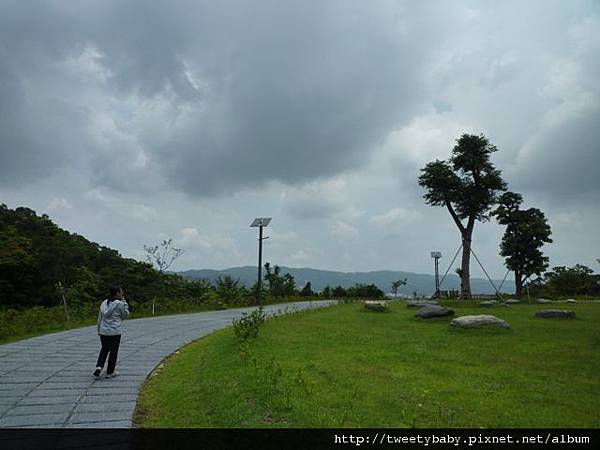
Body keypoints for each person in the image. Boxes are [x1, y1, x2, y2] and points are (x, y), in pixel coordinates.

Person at [94, 285, 129, 378]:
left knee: (104, 349)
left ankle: (99, 366)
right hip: (114, 331)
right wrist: (124, 301)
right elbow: (125, 314)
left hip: (103, 331)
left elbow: (99, 318)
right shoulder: (119, 304)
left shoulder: (104, 303)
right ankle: (110, 371)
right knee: (113, 351)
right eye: (121, 292)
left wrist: (99, 329)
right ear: (117, 293)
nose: (122, 293)